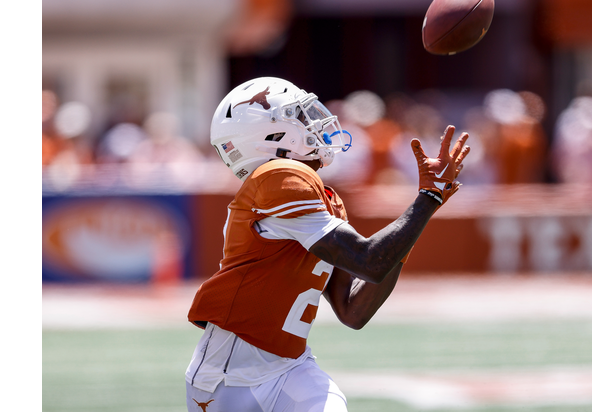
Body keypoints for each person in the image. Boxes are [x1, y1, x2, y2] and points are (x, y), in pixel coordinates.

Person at [185, 77, 470, 412]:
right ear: (271, 137)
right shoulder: (279, 177)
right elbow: (370, 261)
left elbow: (353, 310)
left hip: (291, 366)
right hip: (228, 376)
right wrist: (427, 199)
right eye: (300, 116)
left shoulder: (321, 196)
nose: (315, 122)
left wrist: (411, 229)